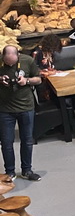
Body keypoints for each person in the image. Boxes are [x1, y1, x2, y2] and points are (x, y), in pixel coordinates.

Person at [0, 45, 43, 182]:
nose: (10, 64)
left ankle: (26, 170)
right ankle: (10, 172)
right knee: (6, 142)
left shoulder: (28, 61)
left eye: (12, 61)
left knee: (27, 140)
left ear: (18, 55)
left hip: (26, 107)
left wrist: (27, 81)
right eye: (7, 63)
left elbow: (39, 79)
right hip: (5, 109)